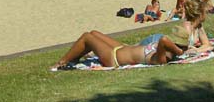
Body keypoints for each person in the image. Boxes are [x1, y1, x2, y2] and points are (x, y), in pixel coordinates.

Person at [52, 30, 184, 69]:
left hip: (113, 58)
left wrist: (179, 52)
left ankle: (61, 62)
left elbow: (164, 40)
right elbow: (165, 41)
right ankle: (74, 58)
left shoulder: (161, 59)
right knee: (94, 33)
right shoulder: (163, 50)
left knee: (87, 37)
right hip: (122, 48)